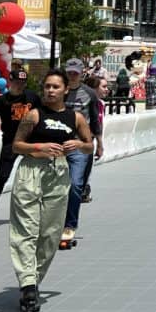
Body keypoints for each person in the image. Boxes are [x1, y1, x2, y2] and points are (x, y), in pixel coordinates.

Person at [10, 69, 93, 312]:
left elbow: (89, 146)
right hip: (31, 173)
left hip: (58, 174)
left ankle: (33, 281)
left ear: (66, 90)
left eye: (56, 87)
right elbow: (16, 145)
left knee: (50, 234)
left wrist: (79, 144)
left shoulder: (75, 118)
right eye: (47, 86)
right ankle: (27, 284)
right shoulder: (33, 115)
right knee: (26, 229)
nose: (50, 90)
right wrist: (38, 147)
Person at [0, 70, 42, 229]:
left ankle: (41, 210)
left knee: (39, 174)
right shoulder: (2, 101)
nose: (20, 85)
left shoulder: (32, 97)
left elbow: (43, 115)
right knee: (2, 176)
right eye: (17, 82)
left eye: (23, 83)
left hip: (31, 141)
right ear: (10, 82)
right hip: (11, 142)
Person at [62, 58, 102, 248]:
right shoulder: (58, 91)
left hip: (80, 144)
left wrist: (99, 143)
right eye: (69, 72)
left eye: (75, 72)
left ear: (81, 73)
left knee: (76, 184)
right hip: (57, 144)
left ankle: (69, 226)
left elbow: (95, 120)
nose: (72, 75)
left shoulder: (89, 94)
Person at [81, 76, 109, 202]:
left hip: (91, 141)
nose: (106, 90)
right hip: (79, 140)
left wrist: (99, 143)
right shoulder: (84, 102)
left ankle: (84, 189)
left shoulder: (101, 104)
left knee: (88, 166)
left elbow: (99, 124)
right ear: (93, 89)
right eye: (103, 86)